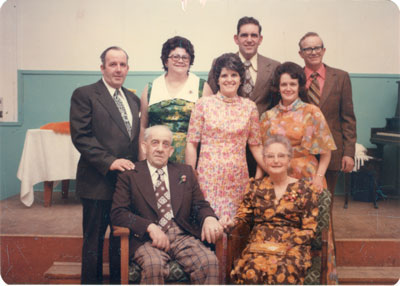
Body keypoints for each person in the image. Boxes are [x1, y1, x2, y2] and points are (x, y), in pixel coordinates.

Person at [111, 125, 222, 284]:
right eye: (155, 143)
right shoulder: (129, 175)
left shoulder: (185, 172)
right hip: (146, 239)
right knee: (153, 265)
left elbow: (200, 204)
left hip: (182, 235)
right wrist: (149, 227)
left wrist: (209, 218)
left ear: (170, 151)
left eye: (165, 144)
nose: (160, 149)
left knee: (209, 262)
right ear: (144, 146)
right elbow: (118, 213)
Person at [70, 46, 140, 284]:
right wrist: (110, 162)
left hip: (125, 186)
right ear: (102, 68)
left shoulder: (133, 99)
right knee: (94, 242)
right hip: (97, 182)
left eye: (122, 65)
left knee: (121, 240)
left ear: (128, 69)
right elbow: (81, 136)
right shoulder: (85, 94)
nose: (118, 69)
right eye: (113, 64)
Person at [220, 135, 320, 284]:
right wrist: (231, 223)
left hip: (291, 247)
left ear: (289, 159)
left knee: (283, 270)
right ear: (264, 160)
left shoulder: (306, 189)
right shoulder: (255, 187)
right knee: (251, 269)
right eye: (270, 156)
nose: (276, 160)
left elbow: (309, 229)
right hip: (258, 246)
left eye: (281, 156)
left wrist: (283, 243)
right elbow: (243, 217)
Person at [186, 53, 264, 218]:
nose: (229, 79)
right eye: (224, 75)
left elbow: (256, 145)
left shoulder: (249, 107)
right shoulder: (203, 104)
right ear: (217, 79)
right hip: (208, 177)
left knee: (234, 226)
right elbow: (191, 143)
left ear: (241, 78)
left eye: (234, 75)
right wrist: (191, 173)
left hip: (237, 177)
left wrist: (268, 171)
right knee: (209, 224)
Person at [206, 16, 280, 178]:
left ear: (260, 39)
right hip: (228, 144)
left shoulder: (274, 67)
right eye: (244, 35)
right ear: (236, 38)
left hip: (260, 141)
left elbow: (276, 104)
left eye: (254, 35)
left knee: (258, 191)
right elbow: (211, 98)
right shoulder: (219, 63)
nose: (249, 39)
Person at [259, 62, 336, 192]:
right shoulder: (267, 116)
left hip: (308, 177)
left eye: (292, 84)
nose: (288, 88)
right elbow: (262, 153)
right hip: (277, 177)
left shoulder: (312, 112)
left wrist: (318, 178)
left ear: (299, 86)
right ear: (278, 87)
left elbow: (326, 151)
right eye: (284, 84)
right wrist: (258, 180)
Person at [298, 32, 356, 198]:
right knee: (301, 201)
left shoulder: (341, 77)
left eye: (317, 47)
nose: (313, 52)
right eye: (307, 48)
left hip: (332, 151)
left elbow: (348, 118)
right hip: (302, 151)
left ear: (323, 50)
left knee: (325, 201)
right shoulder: (296, 78)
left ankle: (326, 226)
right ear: (300, 53)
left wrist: (348, 152)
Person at [139, 36, 212, 163]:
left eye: (185, 57)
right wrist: (142, 163)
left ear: (190, 61)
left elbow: (210, 131)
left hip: (191, 161)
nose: (180, 60)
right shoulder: (151, 88)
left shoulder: (202, 87)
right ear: (166, 61)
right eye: (175, 56)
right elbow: (143, 128)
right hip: (156, 158)